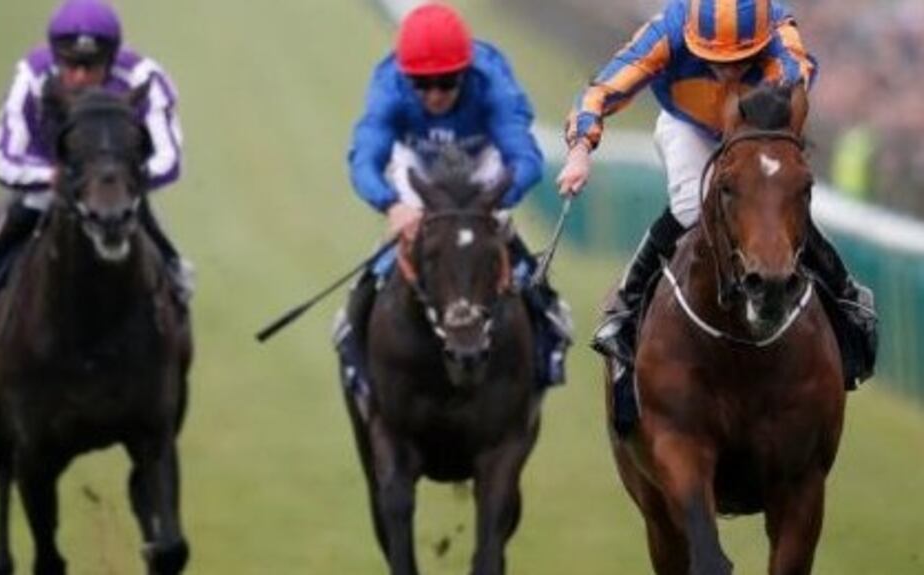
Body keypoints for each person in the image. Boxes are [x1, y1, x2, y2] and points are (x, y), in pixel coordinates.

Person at [556, 0, 877, 402]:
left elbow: (796, 84)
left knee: (773, 203)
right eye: (714, 59)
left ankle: (847, 299)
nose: (729, 69)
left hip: (756, 124)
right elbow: (602, 88)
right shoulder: (668, 31)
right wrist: (581, 148)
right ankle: (627, 303)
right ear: (693, 38)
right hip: (688, 125)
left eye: (743, 58)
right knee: (692, 206)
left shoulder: (781, 36)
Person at [339, 2, 573, 392]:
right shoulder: (389, 86)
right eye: (422, 84)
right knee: (381, 264)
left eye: (447, 82)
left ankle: (548, 331)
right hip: (418, 167)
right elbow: (363, 159)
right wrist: (392, 204)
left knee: (509, 252)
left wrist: (495, 200)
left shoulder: (492, 82)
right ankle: (352, 341)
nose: (434, 95)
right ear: (406, 78)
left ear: (465, 73)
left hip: (483, 167)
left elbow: (526, 159)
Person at [0, 0, 191, 339]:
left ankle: (176, 289)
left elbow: (169, 158)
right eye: (71, 66)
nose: (81, 78)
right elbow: (4, 157)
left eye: (93, 67)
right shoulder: (30, 74)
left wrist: (127, 182)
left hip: (116, 190)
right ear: (56, 57)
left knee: (160, 252)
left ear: (112, 57)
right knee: (10, 225)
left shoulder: (144, 77)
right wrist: (52, 178)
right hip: (47, 185)